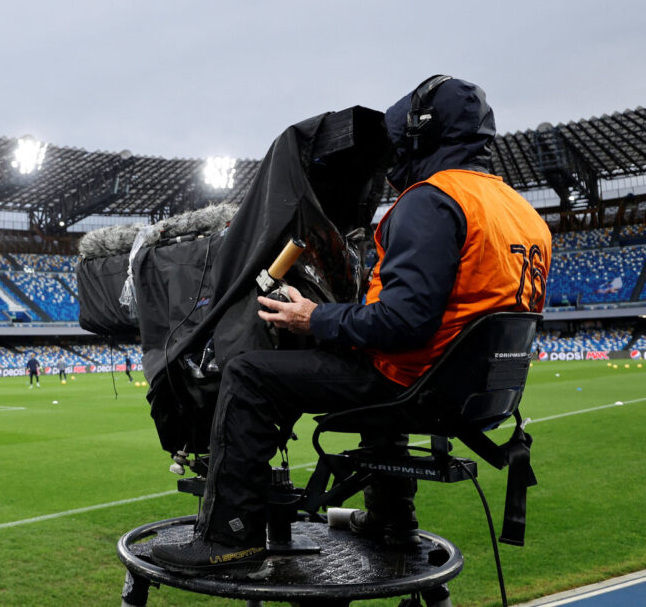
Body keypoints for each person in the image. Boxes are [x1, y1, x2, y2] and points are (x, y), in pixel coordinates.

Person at [152, 76, 552, 576]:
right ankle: (391, 515)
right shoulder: (521, 212)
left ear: (420, 134)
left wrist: (312, 316)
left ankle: (229, 537)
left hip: (416, 383)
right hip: (477, 393)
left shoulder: (432, 200)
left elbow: (401, 324)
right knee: (371, 358)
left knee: (250, 374)